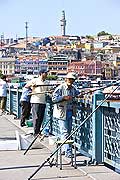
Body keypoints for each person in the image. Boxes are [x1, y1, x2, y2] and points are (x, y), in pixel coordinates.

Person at [52, 72, 81, 158]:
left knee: (68, 132)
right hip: (62, 113)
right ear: (66, 79)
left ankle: (64, 149)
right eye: (69, 79)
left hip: (70, 112)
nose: (71, 81)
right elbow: (53, 99)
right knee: (65, 132)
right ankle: (68, 151)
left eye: (72, 80)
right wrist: (63, 98)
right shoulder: (60, 88)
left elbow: (77, 94)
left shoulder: (73, 89)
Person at [25, 69, 49, 136]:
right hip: (35, 101)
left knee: (41, 117)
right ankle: (36, 132)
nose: (47, 74)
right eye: (45, 73)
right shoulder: (35, 80)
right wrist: (32, 86)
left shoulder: (47, 82)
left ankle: (38, 131)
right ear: (41, 73)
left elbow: (49, 90)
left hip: (43, 101)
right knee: (36, 117)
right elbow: (26, 86)